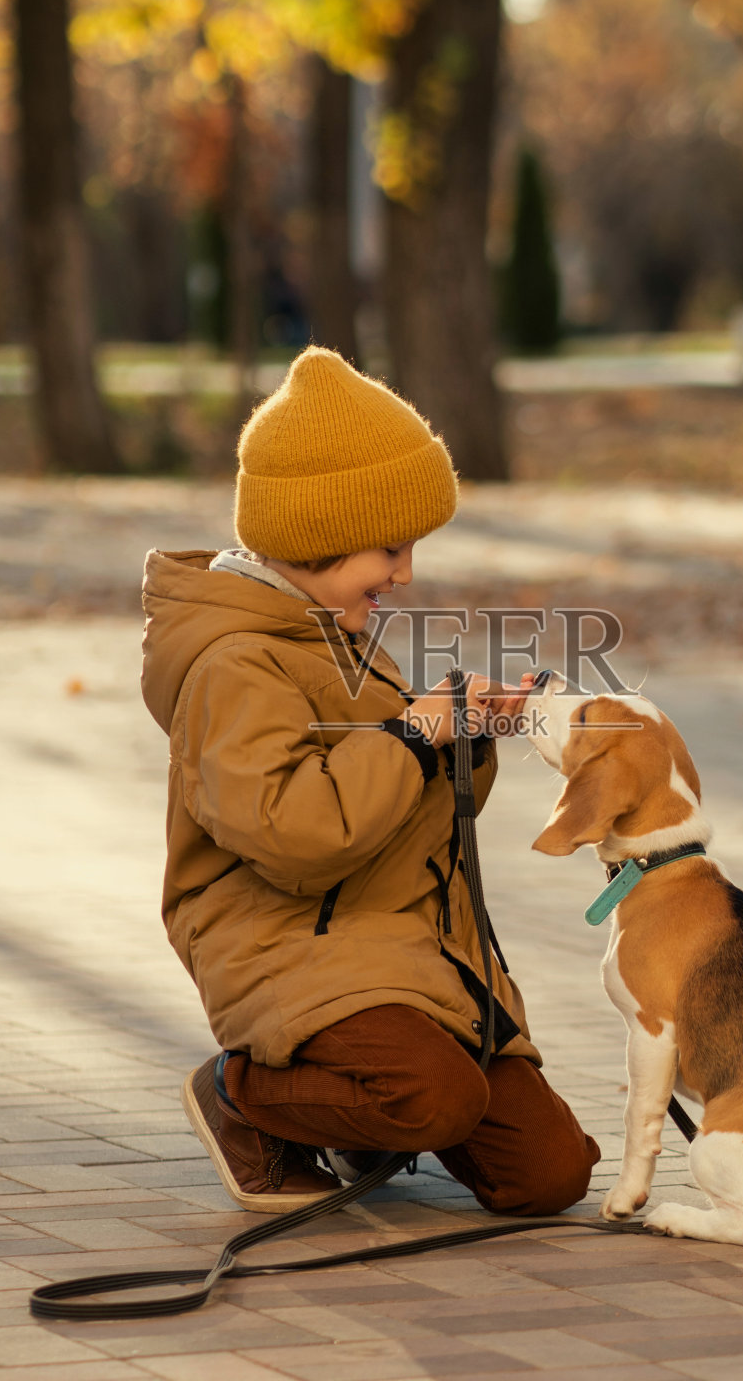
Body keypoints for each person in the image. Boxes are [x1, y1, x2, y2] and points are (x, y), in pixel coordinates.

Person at [140, 346, 600, 1216]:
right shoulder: (233, 664)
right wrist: (409, 732)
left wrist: (464, 731)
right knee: (435, 1101)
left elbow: (401, 807)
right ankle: (241, 1095)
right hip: (293, 950)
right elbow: (295, 836)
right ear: (317, 534)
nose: (405, 574)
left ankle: (354, 1115)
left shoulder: (331, 631)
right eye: (390, 548)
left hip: (400, 953)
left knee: (550, 1175)